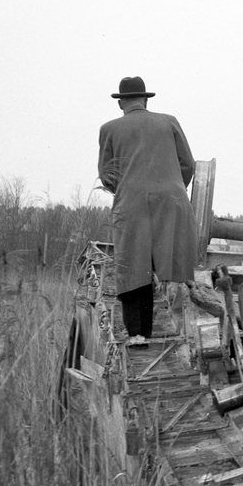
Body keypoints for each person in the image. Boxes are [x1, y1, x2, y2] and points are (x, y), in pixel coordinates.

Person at [98, 76, 196, 346]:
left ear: (121, 103)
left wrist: (129, 190)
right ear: (146, 100)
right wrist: (171, 188)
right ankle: (187, 333)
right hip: (172, 202)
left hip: (131, 206)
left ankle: (138, 335)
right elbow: (188, 165)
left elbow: (107, 176)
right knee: (177, 266)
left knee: (133, 268)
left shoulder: (109, 129)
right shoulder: (169, 122)